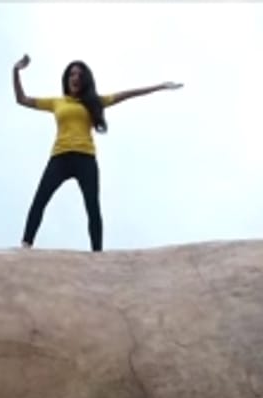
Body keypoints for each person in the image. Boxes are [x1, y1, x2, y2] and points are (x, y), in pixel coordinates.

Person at [12, 54, 182, 252]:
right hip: (60, 156)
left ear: (85, 80)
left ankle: (97, 253)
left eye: (79, 75)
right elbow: (22, 99)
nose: (75, 78)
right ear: (67, 79)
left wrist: (160, 86)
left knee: (92, 206)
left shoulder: (94, 101)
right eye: (72, 74)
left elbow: (126, 94)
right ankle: (26, 244)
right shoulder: (56, 103)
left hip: (86, 158)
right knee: (40, 200)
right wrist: (15, 71)